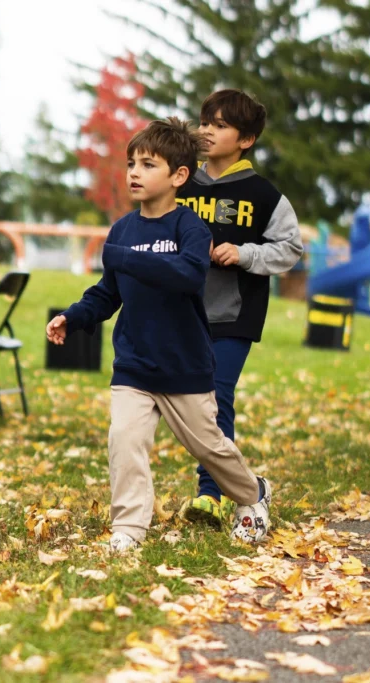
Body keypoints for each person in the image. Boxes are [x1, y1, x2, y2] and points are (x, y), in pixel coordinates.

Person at [46, 117, 272, 551]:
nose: (134, 172)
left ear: (178, 176)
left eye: (148, 164)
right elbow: (108, 293)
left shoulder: (190, 228)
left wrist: (126, 259)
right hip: (134, 363)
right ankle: (129, 528)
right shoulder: (124, 231)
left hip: (184, 364)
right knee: (125, 440)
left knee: (210, 448)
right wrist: (73, 318)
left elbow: (188, 275)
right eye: (132, 163)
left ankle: (253, 494)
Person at [174, 90, 303, 528]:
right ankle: (245, 485)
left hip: (233, 316)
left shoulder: (264, 195)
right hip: (181, 313)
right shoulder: (181, 182)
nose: (206, 130)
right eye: (204, 121)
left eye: (220, 125)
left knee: (216, 397)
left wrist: (246, 254)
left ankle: (211, 493)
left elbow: (291, 249)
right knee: (188, 404)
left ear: (245, 139)